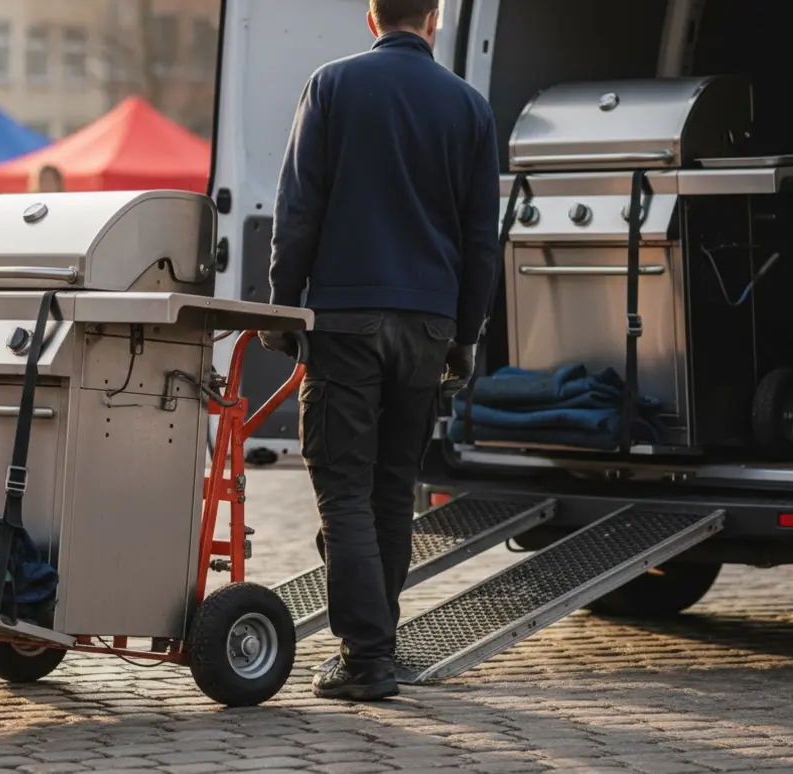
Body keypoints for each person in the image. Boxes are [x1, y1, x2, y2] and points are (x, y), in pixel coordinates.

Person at [258, 0, 500, 701]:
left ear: (372, 20)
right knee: (392, 491)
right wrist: (465, 334)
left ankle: (366, 660)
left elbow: (298, 209)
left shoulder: (333, 85)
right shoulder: (469, 107)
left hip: (346, 320)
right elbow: (480, 238)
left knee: (344, 491)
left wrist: (283, 306)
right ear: (434, 20)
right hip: (427, 325)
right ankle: (375, 647)